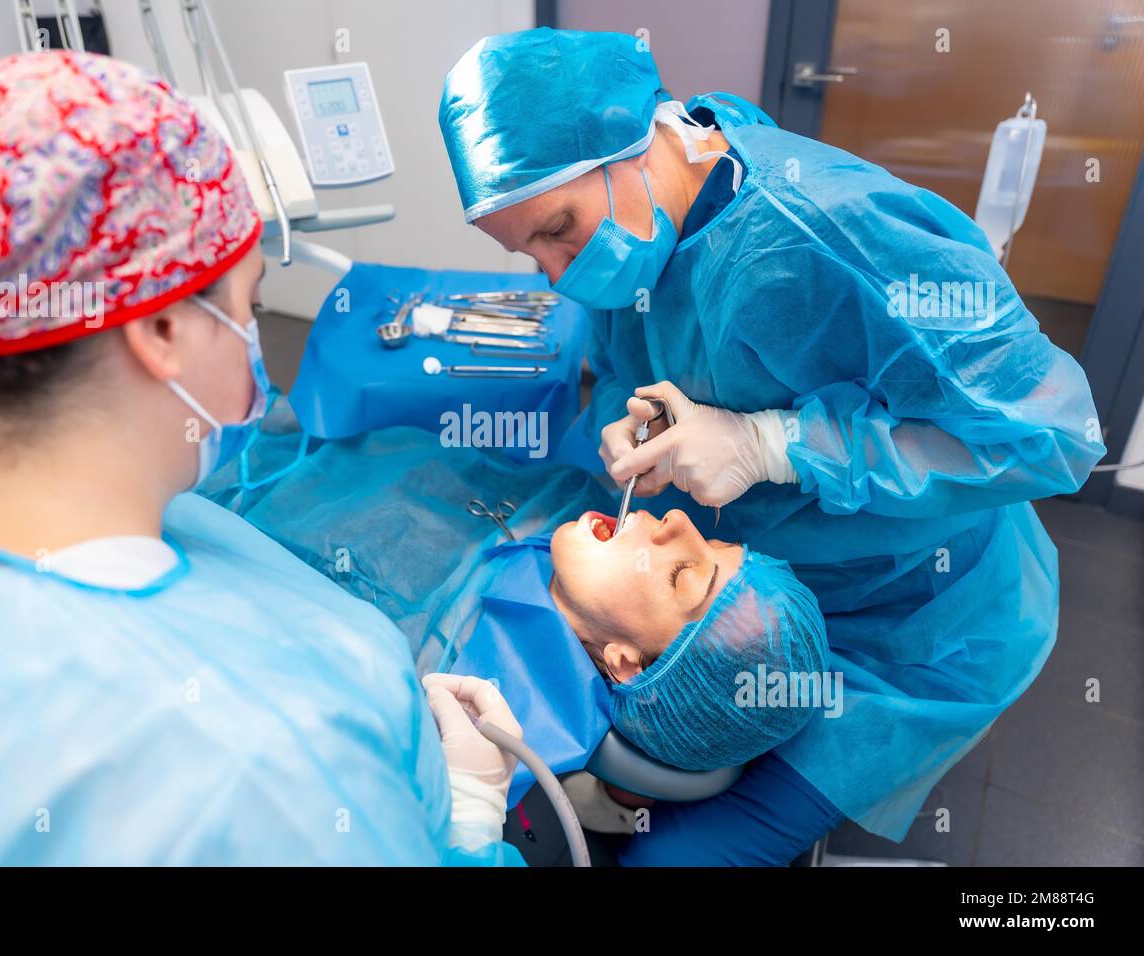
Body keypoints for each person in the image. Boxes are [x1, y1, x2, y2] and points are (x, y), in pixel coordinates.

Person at [439, 28, 1106, 863]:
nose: (557, 273)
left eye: (559, 230)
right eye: (528, 250)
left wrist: (778, 444)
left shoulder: (829, 232)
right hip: (758, 586)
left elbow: (1052, 435)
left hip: (912, 621)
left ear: (633, 139)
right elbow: (629, 358)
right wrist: (628, 412)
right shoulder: (649, 219)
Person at [0, 50, 523, 866]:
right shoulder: (263, 771)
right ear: (162, 330)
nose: (255, 343)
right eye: (251, 305)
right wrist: (474, 826)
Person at [203, 413, 831, 822]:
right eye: (717, 545)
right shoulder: (576, 519)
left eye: (681, 575)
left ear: (623, 662)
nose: (677, 523)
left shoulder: (471, 712)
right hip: (282, 441)